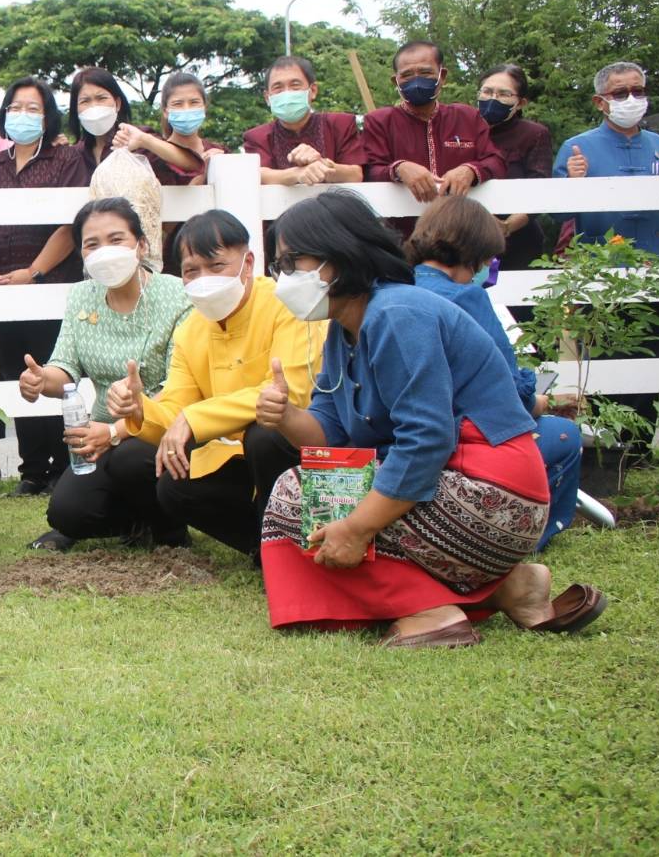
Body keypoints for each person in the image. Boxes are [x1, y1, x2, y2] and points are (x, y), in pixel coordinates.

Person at [255, 189, 606, 646]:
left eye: (291, 262)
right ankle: (510, 589)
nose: (283, 278)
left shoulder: (398, 313)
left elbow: (427, 440)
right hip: (466, 489)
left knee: (295, 495)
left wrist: (358, 527)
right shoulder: (343, 331)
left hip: (492, 491)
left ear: (337, 255)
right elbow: (331, 435)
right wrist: (284, 416)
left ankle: (429, 612)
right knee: (315, 486)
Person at [106, 209, 318, 561]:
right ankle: (263, 548)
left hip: (296, 445)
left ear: (248, 263)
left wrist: (193, 417)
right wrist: (141, 408)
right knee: (168, 485)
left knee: (267, 434)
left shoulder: (285, 305)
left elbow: (289, 393)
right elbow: (176, 405)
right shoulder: (191, 329)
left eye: (216, 265)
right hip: (229, 454)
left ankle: (291, 550)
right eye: (191, 270)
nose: (203, 278)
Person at [406, 196, 583, 550]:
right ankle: (524, 538)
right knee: (564, 435)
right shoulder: (466, 297)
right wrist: (539, 400)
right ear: (473, 252)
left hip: (400, 442)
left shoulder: (394, 289)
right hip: (458, 444)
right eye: (488, 258)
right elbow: (509, 389)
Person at [22, 198, 192, 552]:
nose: (104, 252)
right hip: (101, 437)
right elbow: (64, 369)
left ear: (141, 245)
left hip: (162, 428)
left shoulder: (177, 295)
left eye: (116, 239)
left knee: (133, 460)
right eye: (92, 244)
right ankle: (136, 520)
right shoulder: (82, 296)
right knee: (67, 513)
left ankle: (170, 530)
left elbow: (183, 385)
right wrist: (41, 380)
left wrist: (116, 431)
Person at [0, 76, 91, 494]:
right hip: (1, 291)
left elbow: (69, 225)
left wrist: (35, 272)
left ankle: (62, 465)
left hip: (50, 286)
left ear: (48, 116)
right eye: (15, 108)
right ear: (3, 114)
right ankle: (31, 469)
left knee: (52, 373)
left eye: (33, 108)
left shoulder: (65, 160)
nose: (22, 116)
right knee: (14, 374)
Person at [363, 41, 506, 202]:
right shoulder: (379, 121)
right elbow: (368, 171)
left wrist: (470, 170)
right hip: (401, 225)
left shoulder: (468, 117)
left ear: (442, 76)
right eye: (407, 75)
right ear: (396, 81)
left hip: (463, 221)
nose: (416, 81)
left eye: (425, 72)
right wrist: (399, 168)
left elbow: (496, 162)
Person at [554, 61, 659, 259]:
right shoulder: (576, 148)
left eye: (638, 91)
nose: (631, 99)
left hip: (656, 260)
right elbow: (557, 215)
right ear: (599, 102)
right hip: (599, 263)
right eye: (620, 94)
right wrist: (572, 183)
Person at [242, 55, 365, 185]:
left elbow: (356, 174)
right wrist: (297, 173)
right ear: (267, 97)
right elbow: (257, 174)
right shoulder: (256, 137)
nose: (287, 93)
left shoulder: (340, 125)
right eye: (278, 88)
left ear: (313, 91)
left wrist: (321, 166)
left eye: (295, 86)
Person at [476, 65, 553, 270]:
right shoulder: (465, 129)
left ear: (521, 102)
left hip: (518, 238)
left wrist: (506, 227)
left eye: (504, 94)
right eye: (487, 91)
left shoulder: (534, 134)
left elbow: (539, 189)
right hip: (467, 236)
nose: (493, 99)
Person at [112, 72, 228, 188]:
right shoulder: (150, 155)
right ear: (165, 111)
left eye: (194, 102)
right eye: (178, 104)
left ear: (204, 107)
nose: (186, 109)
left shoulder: (219, 153)